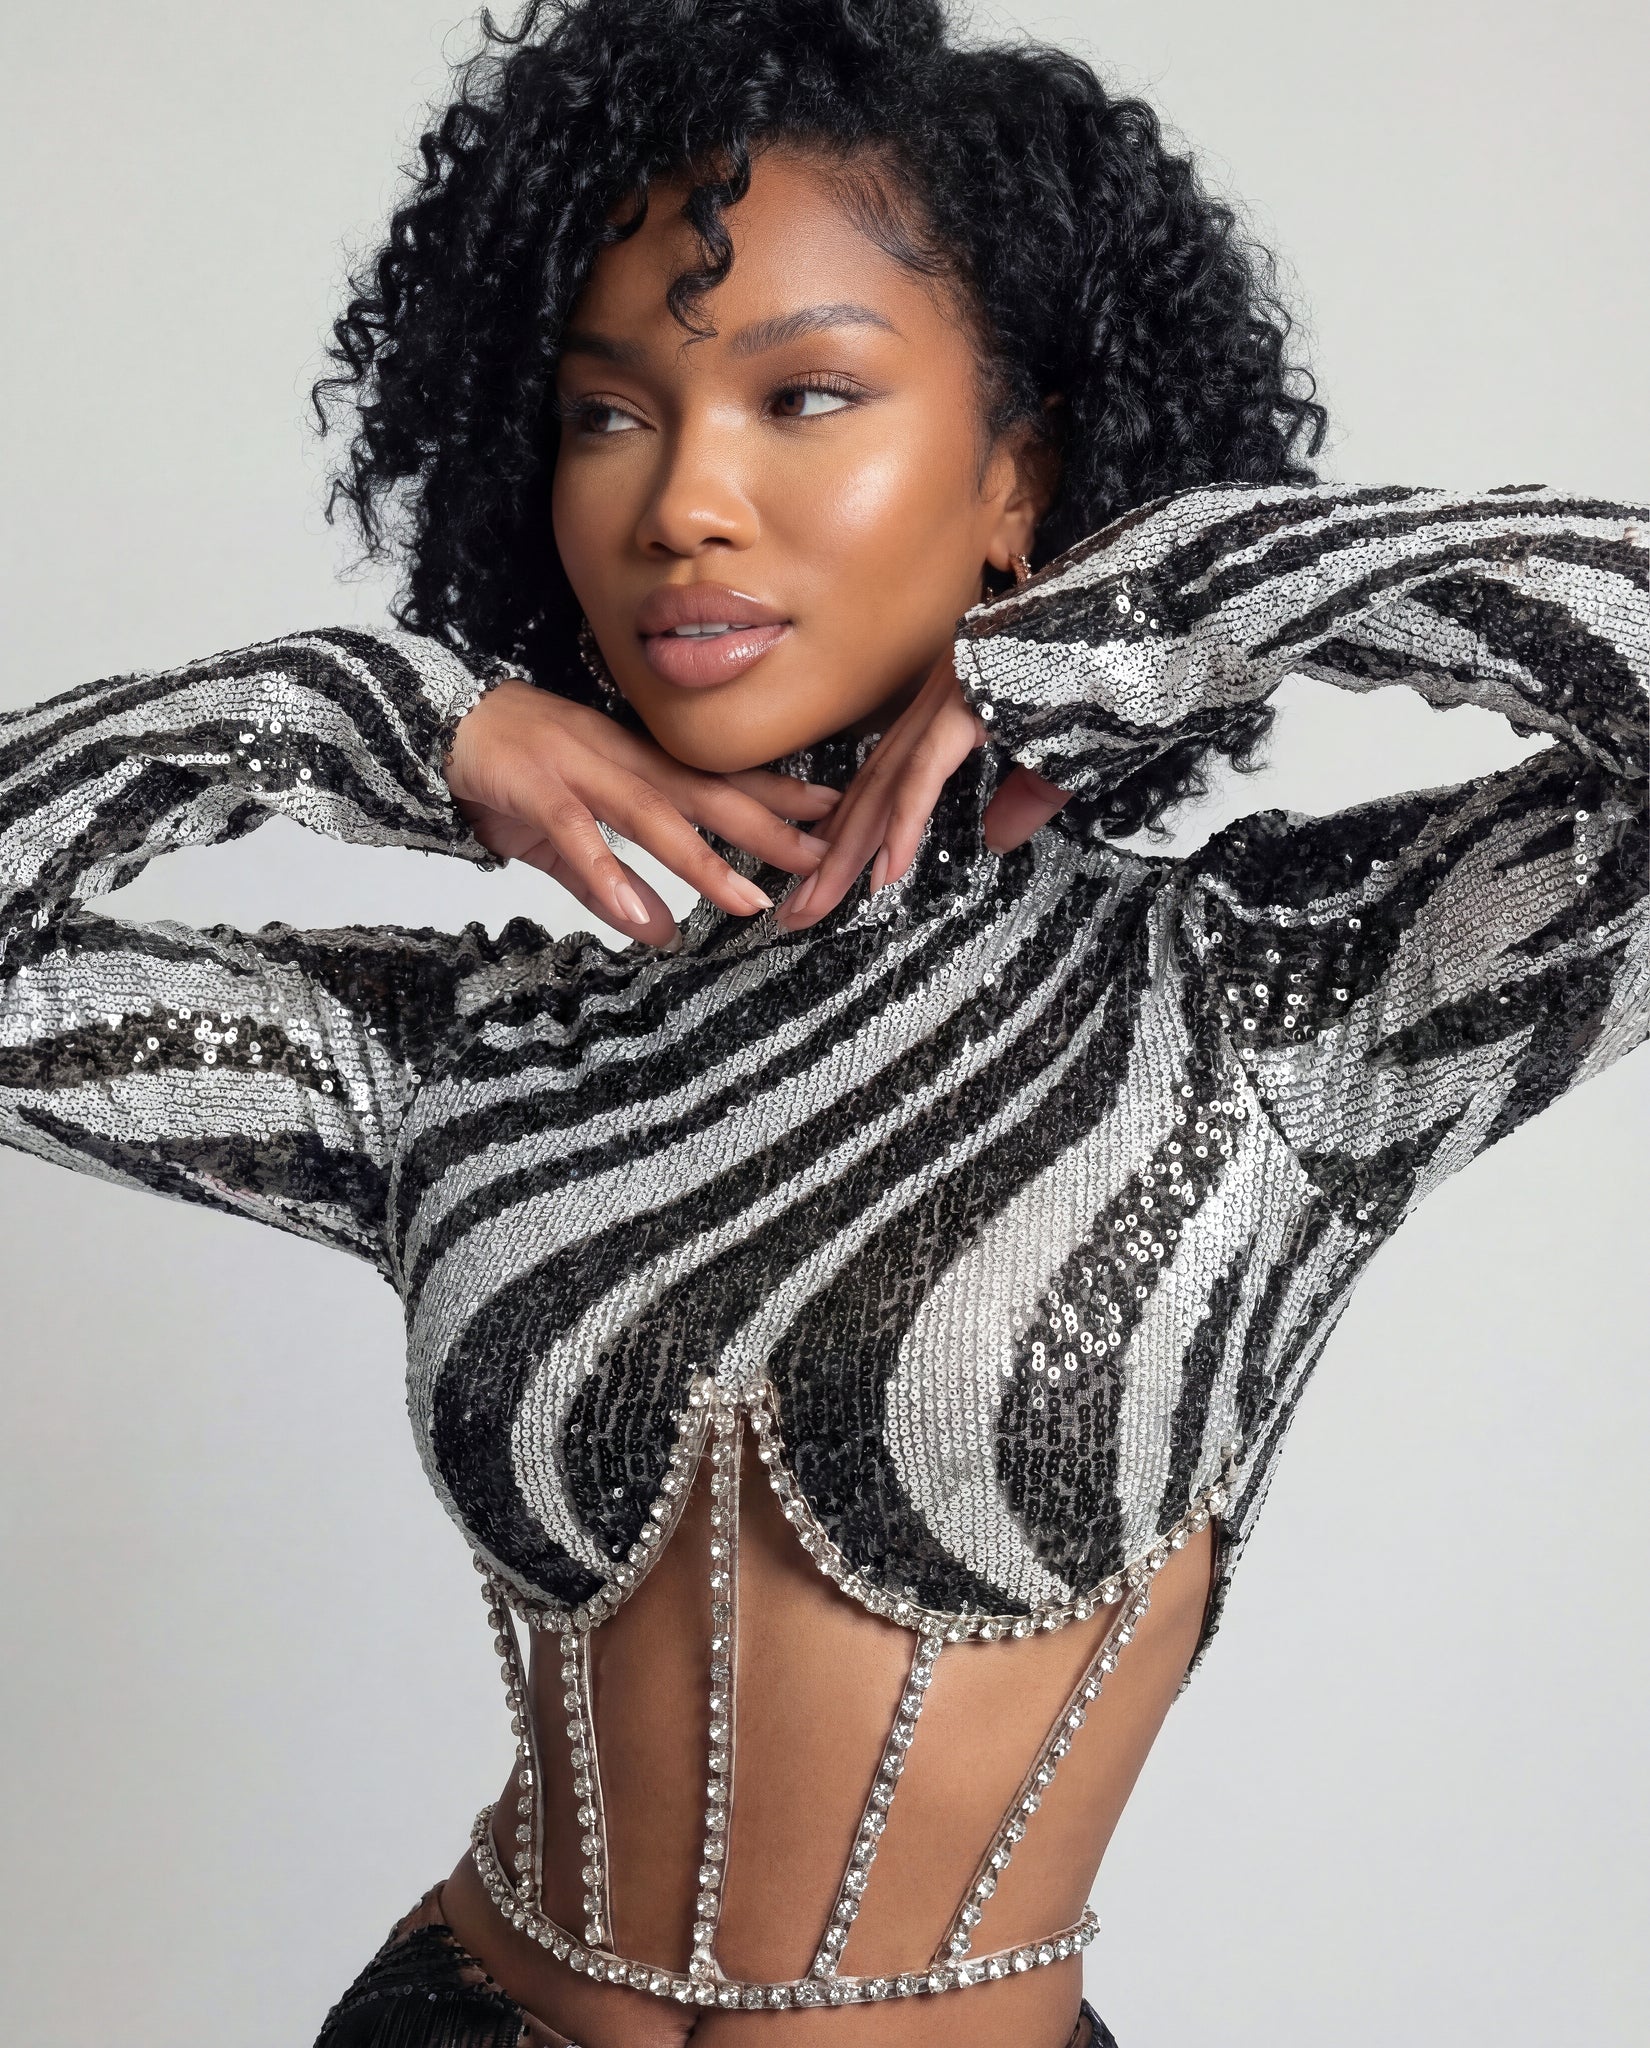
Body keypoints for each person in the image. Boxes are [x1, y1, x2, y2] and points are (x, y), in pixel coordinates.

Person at [1, 2, 1644, 2044]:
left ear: (1019, 473)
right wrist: (375, 723)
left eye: (804, 395)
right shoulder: (470, 1066)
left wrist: (1167, 612)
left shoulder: (1273, 1007)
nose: (684, 501)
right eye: (609, 414)